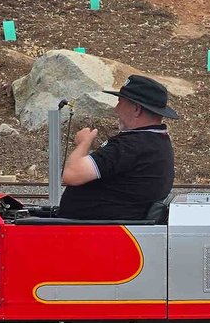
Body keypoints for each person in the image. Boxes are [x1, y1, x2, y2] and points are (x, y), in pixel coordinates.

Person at [57, 74, 177, 221]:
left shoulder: (132, 146)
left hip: (98, 236)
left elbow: (71, 175)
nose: (116, 109)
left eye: (120, 102)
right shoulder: (154, 142)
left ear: (137, 109)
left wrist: (84, 142)